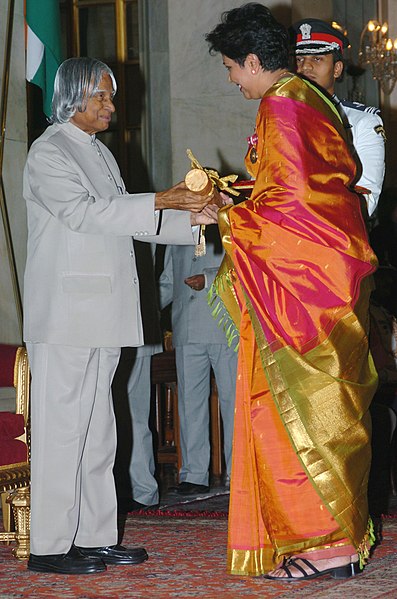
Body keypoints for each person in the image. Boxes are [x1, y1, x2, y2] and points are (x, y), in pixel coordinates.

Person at [23, 57, 219, 575]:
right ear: (73, 97)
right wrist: (162, 197)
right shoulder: (48, 151)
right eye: (102, 96)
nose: (112, 105)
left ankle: (94, 536)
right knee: (62, 429)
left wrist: (195, 217)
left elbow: (134, 220)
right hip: (66, 316)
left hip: (104, 313)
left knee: (99, 430)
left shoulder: (102, 155)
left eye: (111, 96)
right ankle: (48, 545)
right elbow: (85, 214)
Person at [205, 3, 378, 582]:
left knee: (290, 413)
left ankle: (325, 546)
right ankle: (338, 540)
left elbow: (294, 208)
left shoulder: (281, 107)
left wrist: (230, 216)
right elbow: (305, 191)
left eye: (232, 67)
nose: (232, 79)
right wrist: (243, 201)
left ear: (254, 61)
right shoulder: (310, 100)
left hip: (301, 289)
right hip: (324, 277)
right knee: (324, 412)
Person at [158, 225, 238, 495]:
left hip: (224, 325)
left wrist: (208, 278)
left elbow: (241, 269)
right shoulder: (178, 231)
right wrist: (141, 304)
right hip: (186, 328)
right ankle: (193, 473)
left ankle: (238, 472)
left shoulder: (230, 224)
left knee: (233, 402)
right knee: (190, 403)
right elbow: (169, 281)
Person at [290, 18, 385, 219]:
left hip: (338, 237)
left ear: (337, 69)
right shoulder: (284, 119)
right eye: (299, 59)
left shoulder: (362, 122)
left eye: (317, 59)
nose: (305, 67)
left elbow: (367, 199)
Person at [112, 241, 162, 512]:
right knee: (110, 419)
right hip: (109, 330)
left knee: (135, 417)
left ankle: (143, 491)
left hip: (136, 332)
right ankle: (120, 489)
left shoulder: (140, 221)